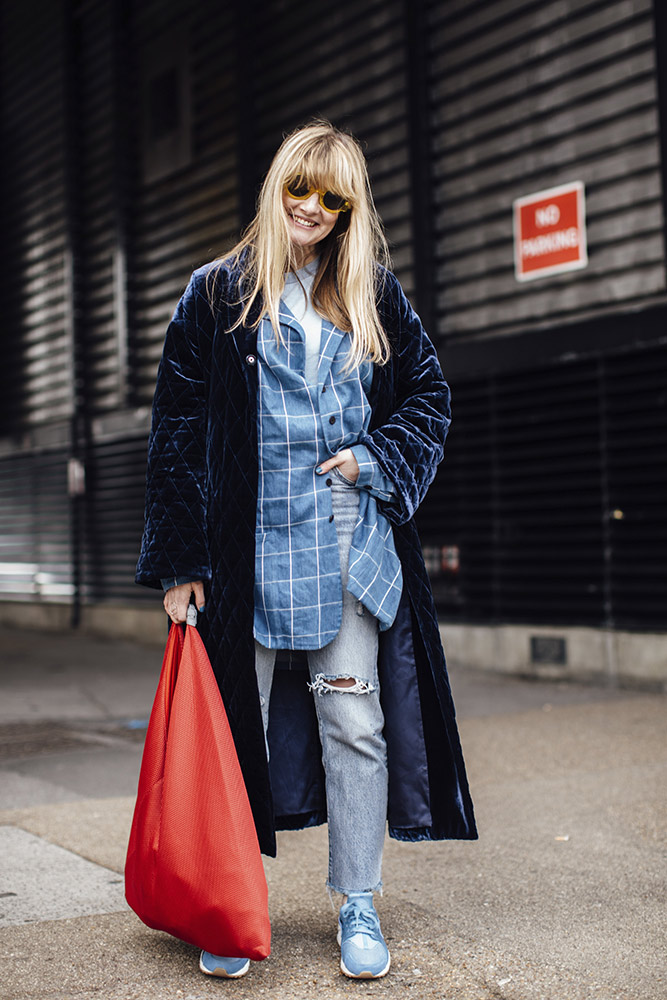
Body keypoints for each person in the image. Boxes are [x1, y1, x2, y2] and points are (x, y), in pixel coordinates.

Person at [136, 118, 477, 981]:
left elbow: (430, 397)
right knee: (230, 733)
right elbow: (176, 430)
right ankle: (228, 901)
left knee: (353, 723)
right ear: (276, 186)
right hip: (240, 551)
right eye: (302, 189)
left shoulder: (373, 293)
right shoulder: (214, 294)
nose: (315, 209)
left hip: (345, 541)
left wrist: (376, 457)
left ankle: (357, 902)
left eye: (334, 197)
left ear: (350, 208)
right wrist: (179, 562)